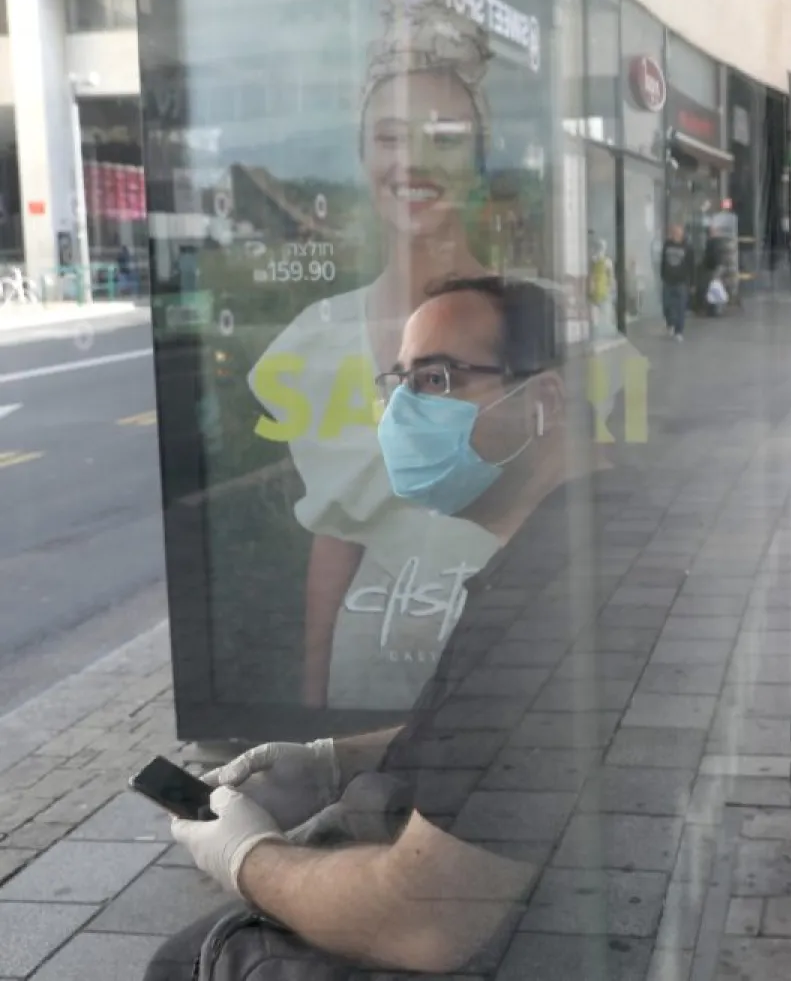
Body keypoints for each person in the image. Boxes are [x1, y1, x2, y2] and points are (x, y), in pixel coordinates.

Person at [146, 275, 630, 979]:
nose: (402, 411)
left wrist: (250, 859)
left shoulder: (551, 604)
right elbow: (508, 738)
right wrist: (334, 760)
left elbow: (424, 918)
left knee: (200, 956)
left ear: (543, 401)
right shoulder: (588, 535)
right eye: (398, 383)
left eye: (436, 379)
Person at [249, 0, 503, 710]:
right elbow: (337, 537)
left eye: (447, 137)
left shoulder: (543, 326)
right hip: (372, 682)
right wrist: (313, 710)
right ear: (362, 157)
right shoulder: (315, 348)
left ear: (482, 158)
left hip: (512, 682)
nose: (413, 162)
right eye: (390, 136)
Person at [660, 223, 693, 340]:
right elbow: (663, 261)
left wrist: (692, 283)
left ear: (682, 233)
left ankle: (679, 331)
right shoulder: (667, 245)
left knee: (680, 307)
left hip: (681, 281)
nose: (676, 234)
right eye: (674, 232)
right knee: (666, 305)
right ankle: (670, 323)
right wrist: (662, 275)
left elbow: (691, 265)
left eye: (678, 232)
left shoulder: (687, 247)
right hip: (668, 280)